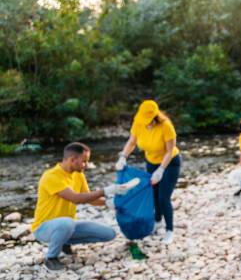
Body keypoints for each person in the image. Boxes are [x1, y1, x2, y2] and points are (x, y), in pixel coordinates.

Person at [33, 142, 135, 271]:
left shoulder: (78, 174)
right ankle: (51, 258)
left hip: (66, 225)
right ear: (72, 159)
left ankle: (64, 242)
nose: (87, 165)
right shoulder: (51, 176)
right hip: (43, 228)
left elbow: (89, 198)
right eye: (84, 161)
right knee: (66, 224)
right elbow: (76, 198)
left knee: (109, 234)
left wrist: (112, 202)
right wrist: (106, 190)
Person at [116, 100, 181, 245]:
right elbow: (132, 142)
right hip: (151, 162)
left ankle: (169, 230)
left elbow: (170, 151)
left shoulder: (166, 126)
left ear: (155, 116)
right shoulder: (138, 123)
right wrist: (123, 157)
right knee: (154, 195)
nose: (146, 123)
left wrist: (161, 170)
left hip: (170, 163)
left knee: (163, 198)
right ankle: (157, 222)